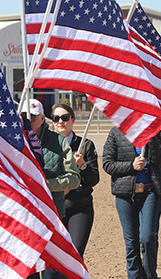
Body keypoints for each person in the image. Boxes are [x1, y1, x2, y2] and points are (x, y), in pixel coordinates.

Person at [22, 99, 81, 279]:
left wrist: (46, 185)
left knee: (51, 272)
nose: (28, 120)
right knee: (27, 269)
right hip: (24, 214)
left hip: (53, 213)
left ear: (42, 118)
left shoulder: (59, 141)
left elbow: (74, 178)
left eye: (32, 117)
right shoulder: (14, 141)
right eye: (24, 116)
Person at [102, 126, 161, 279]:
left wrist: (150, 137)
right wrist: (131, 166)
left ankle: (150, 274)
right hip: (125, 194)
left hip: (151, 191)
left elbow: (160, 160)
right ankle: (134, 276)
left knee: (147, 238)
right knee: (131, 242)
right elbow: (107, 164)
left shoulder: (155, 132)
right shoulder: (115, 132)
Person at [50, 103, 100, 260]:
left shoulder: (85, 145)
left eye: (64, 117)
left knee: (75, 256)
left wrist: (83, 165)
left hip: (79, 207)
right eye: (56, 118)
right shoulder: (46, 145)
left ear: (72, 120)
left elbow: (94, 179)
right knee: (55, 258)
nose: (60, 122)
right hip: (53, 208)